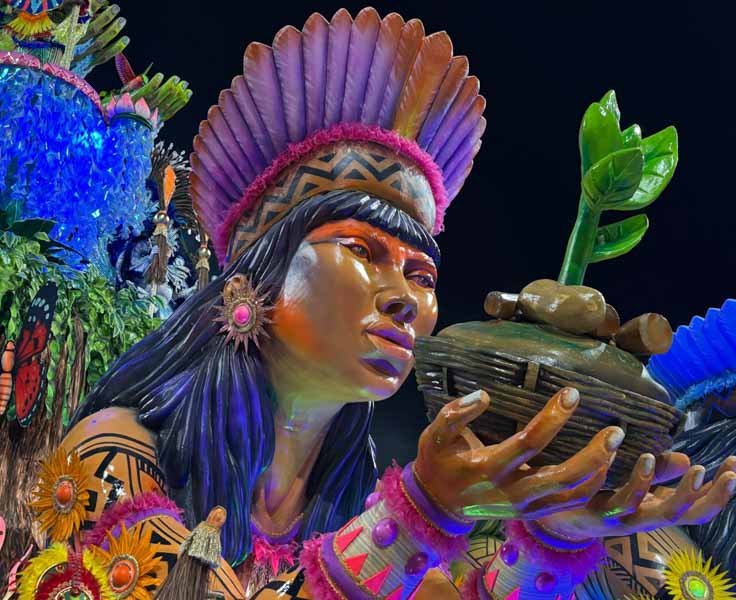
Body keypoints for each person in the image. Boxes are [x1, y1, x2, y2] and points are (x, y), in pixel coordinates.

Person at [58, 8, 736, 599]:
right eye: (362, 250)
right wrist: (419, 514)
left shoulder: (359, 500)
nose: (407, 299)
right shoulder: (117, 454)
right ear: (251, 280)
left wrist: (554, 535)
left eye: (422, 274)